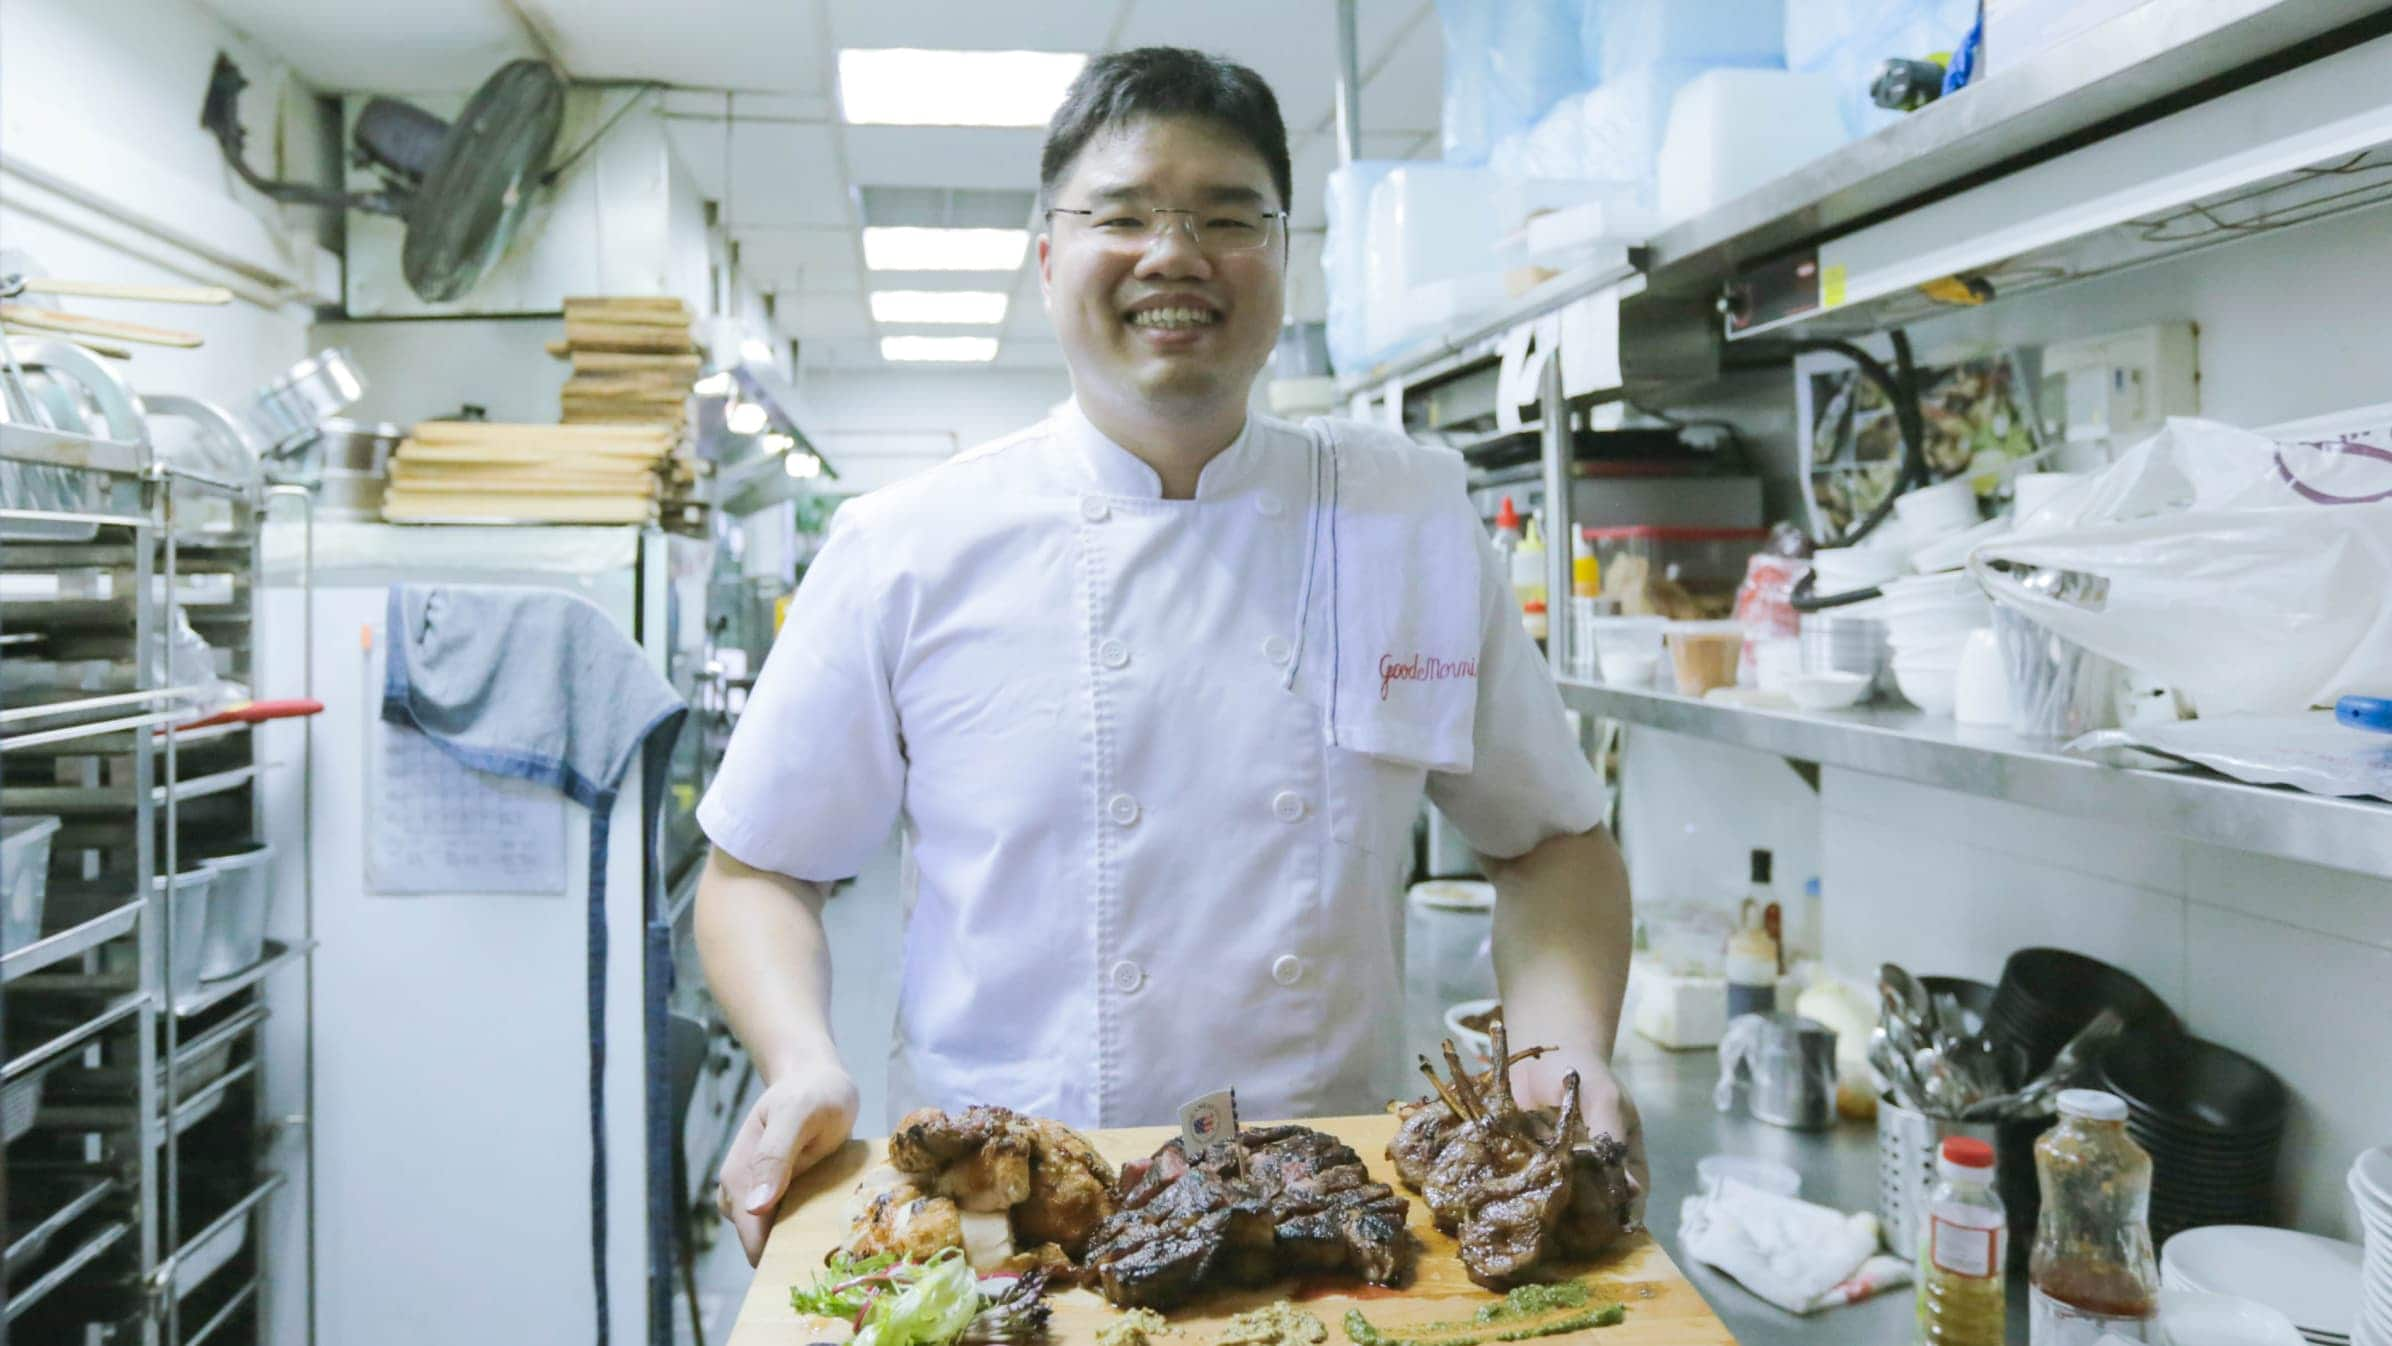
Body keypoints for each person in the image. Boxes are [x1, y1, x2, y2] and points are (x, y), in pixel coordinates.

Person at [694, 46, 1639, 1265]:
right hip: (1018, 1217)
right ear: (1046, 258)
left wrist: (1562, 1057)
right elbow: (760, 866)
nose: (1175, 252)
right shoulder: (908, 546)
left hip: (1325, 1226)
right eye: (1123, 214)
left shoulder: (1404, 522)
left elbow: (1551, 841)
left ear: (1282, 258)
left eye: (1227, 215)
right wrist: (800, 1057)